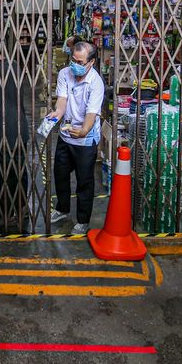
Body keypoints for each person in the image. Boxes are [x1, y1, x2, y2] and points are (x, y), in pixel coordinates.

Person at [48, 40, 105, 235]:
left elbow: (91, 114)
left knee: (84, 181)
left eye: (80, 62)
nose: (75, 65)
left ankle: (83, 220)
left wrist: (84, 131)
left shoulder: (96, 83)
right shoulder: (65, 74)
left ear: (91, 62)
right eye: (73, 60)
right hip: (66, 135)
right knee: (60, 174)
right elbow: (62, 100)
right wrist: (57, 113)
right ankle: (62, 209)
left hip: (85, 140)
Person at [0, 30, 30, 227]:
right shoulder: (14, 67)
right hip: (20, 128)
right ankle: (21, 209)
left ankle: (7, 212)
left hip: (5, 130)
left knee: (3, 173)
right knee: (19, 171)